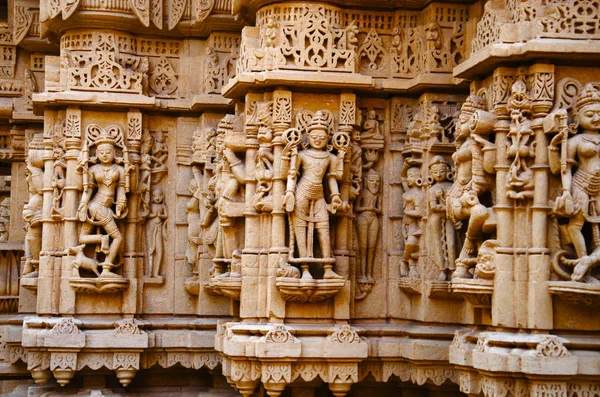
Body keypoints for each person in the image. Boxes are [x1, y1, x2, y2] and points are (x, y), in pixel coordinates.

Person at [283, 111, 345, 279]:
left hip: (319, 196)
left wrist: (335, 196)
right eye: (315, 136)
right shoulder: (302, 155)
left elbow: (333, 177)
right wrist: (289, 192)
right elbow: (292, 174)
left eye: (322, 137)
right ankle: (305, 270)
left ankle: (327, 269)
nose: (318, 139)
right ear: (307, 136)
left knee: (323, 230)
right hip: (301, 194)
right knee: (300, 230)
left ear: (328, 139)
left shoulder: (329, 157)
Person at [549, 83, 600, 280]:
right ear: (577, 118)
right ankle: (583, 258)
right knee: (575, 226)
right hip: (581, 185)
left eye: (599, 113)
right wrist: (566, 191)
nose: (596, 118)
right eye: (590, 114)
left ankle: (588, 261)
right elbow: (564, 169)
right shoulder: (576, 142)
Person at [77, 134, 128, 278]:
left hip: (106, 207)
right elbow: (87, 189)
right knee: (117, 237)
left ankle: (100, 239)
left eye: (108, 152)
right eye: (101, 152)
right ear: (97, 154)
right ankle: (106, 269)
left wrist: (120, 204)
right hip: (96, 206)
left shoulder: (120, 170)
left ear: (114, 153)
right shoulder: (93, 169)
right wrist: (83, 203)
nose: (104, 155)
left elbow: (121, 191)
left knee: (83, 238)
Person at [355, 169, 382, 281]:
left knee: (372, 247)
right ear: (366, 181)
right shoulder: (363, 192)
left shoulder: (377, 195)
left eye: (377, 181)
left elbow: (380, 209)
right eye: (371, 180)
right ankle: (362, 274)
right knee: (363, 247)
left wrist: (374, 209)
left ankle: (369, 273)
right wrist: (368, 208)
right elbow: (356, 208)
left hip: (374, 218)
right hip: (363, 218)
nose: (374, 183)